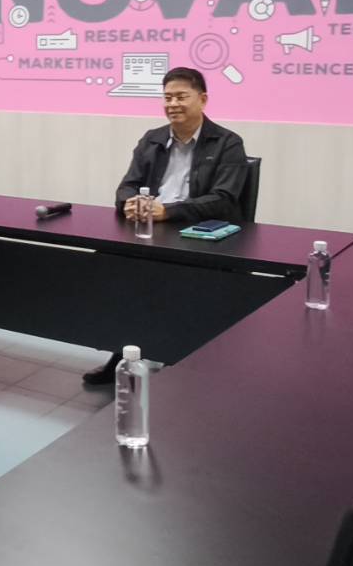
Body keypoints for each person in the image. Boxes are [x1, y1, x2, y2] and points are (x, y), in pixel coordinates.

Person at [86, 66, 251, 384]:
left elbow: (223, 200)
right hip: (152, 230)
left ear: (202, 99)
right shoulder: (153, 139)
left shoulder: (228, 143)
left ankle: (185, 361)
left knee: (169, 283)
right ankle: (122, 354)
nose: (173, 104)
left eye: (181, 97)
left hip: (196, 234)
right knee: (107, 265)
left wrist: (168, 211)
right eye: (167, 97)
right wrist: (130, 202)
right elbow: (127, 185)